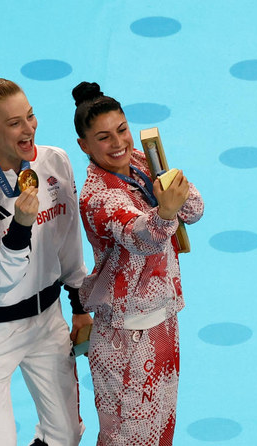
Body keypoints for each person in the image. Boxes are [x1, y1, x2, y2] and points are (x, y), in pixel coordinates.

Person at [0, 73, 93, 446]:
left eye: (30, 116)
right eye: (14, 123)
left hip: (46, 321)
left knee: (66, 436)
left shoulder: (55, 162)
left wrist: (79, 304)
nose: (29, 129)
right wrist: (20, 227)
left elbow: (68, 241)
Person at [72, 81, 204, 446]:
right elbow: (139, 237)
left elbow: (195, 209)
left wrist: (176, 191)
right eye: (103, 138)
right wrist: (166, 210)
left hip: (165, 320)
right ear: (84, 146)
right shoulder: (96, 196)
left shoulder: (145, 162)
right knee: (125, 438)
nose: (118, 144)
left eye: (122, 130)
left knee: (161, 432)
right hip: (124, 335)